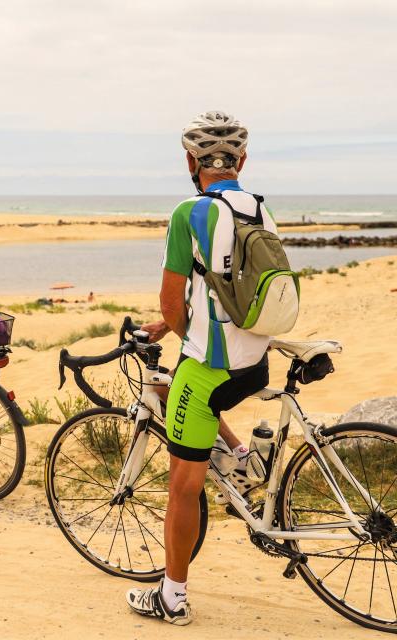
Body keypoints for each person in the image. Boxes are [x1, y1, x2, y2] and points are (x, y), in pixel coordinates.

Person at [126, 111, 276, 625]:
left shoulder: (188, 212)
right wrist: (170, 327)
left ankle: (172, 598)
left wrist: (171, 325)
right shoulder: (259, 209)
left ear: (190, 162)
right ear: (242, 161)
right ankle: (242, 454)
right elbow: (229, 285)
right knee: (207, 402)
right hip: (256, 359)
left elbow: (174, 302)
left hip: (211, 366)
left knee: (183, 483)